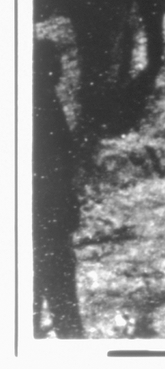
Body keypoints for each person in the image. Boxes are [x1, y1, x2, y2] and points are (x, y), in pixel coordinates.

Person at [33, 40, 85, 338]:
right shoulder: (40, 104)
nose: (60, 70)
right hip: (46, 221)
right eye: (53, 63)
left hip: (47, 220)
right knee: (60, 299)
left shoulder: (44, 100)